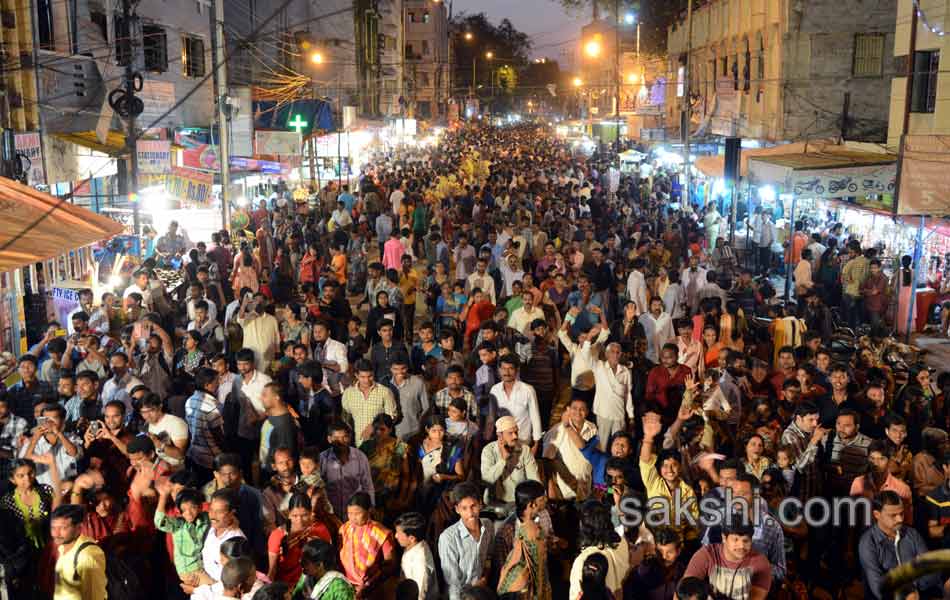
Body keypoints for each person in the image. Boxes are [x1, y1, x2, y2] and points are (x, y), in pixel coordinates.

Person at [858, 490, 940, 600]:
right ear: (877, 514)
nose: (900, 519)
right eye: (893, 515)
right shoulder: (868, 543)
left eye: (901, 513)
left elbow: (932, 574)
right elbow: (878, 588)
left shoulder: (912, 534)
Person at [683, 518, 772, 600]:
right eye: (735, 540)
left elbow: (756, 597)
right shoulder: (706, 554)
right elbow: (685, 591)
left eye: (746, 541)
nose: (741, 546)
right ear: (724, 538)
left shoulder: (760, 562)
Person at [438, 482, 495, 600]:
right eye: (464, 508)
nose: (470, 513)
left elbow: (489, 557)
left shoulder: (488, 526)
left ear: (480, 504)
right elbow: (453, 584)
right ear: (457, 509)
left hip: (482, 592)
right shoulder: (448, 539)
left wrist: (484, 577)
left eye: (473, 506)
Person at [495, 479, 551, 599]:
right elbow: (505, 566)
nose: (546, 501)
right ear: (532, 505)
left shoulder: (544, 515)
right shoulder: (506, 531)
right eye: (542, 499)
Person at [338, 492, 396, 596]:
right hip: (346, 583)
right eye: (349, 513)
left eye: (357, 513)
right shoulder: (344, 529)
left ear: (369, 511)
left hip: (373, 587)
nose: (352, 518)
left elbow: (390, 564)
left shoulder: (381, 533)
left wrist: (368, 583)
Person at [266, 492, 332, 585]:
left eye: (304, 515)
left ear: (310, 513)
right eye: (295, 516)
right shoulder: (278, 535)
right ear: (288, 514)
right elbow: (272, 571)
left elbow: (327, 562)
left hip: (315, 585)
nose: (299, 520)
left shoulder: (320, 530)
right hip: (286, 588)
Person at [51, 503, 107, 600]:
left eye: (63, 528)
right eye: (53, 528)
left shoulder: (87, 556)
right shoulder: (62, 548)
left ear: (79, 528)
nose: (56, 533)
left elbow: (95, 597)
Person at [394, 511, 439, 600]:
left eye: (398, 533)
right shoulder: (411, 546)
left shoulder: (421, 563)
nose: (395, 536)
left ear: (412, 538)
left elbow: (420, 595)